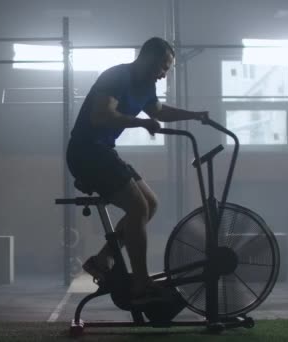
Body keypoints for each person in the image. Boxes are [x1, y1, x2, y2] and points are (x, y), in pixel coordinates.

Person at [66, 37, 208, 304]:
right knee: (138, 208)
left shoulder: (145, 86)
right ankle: (140, 283)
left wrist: (194, 115)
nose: (164, 74)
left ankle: (102, 261)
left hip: (103, 152)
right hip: (86, 153)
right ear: (149, 58)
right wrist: (141, 122)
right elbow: (100, 115)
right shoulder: (117, 76)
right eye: (163, 67)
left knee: (150, 205)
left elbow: (159, 111)